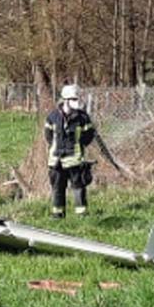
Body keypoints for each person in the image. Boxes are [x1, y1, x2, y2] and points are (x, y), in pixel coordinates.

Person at [44, 83, 95, 218]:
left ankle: (82, 214)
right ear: (65, 100)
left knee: (78, 188)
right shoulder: (53, 116)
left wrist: (78, 146)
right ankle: (57, 214)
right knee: (57, 188)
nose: (77, 101)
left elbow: (89, 136)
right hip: (56, 161)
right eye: (74, 99)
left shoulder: (83, 118)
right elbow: (48, 136)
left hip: (75, 161)